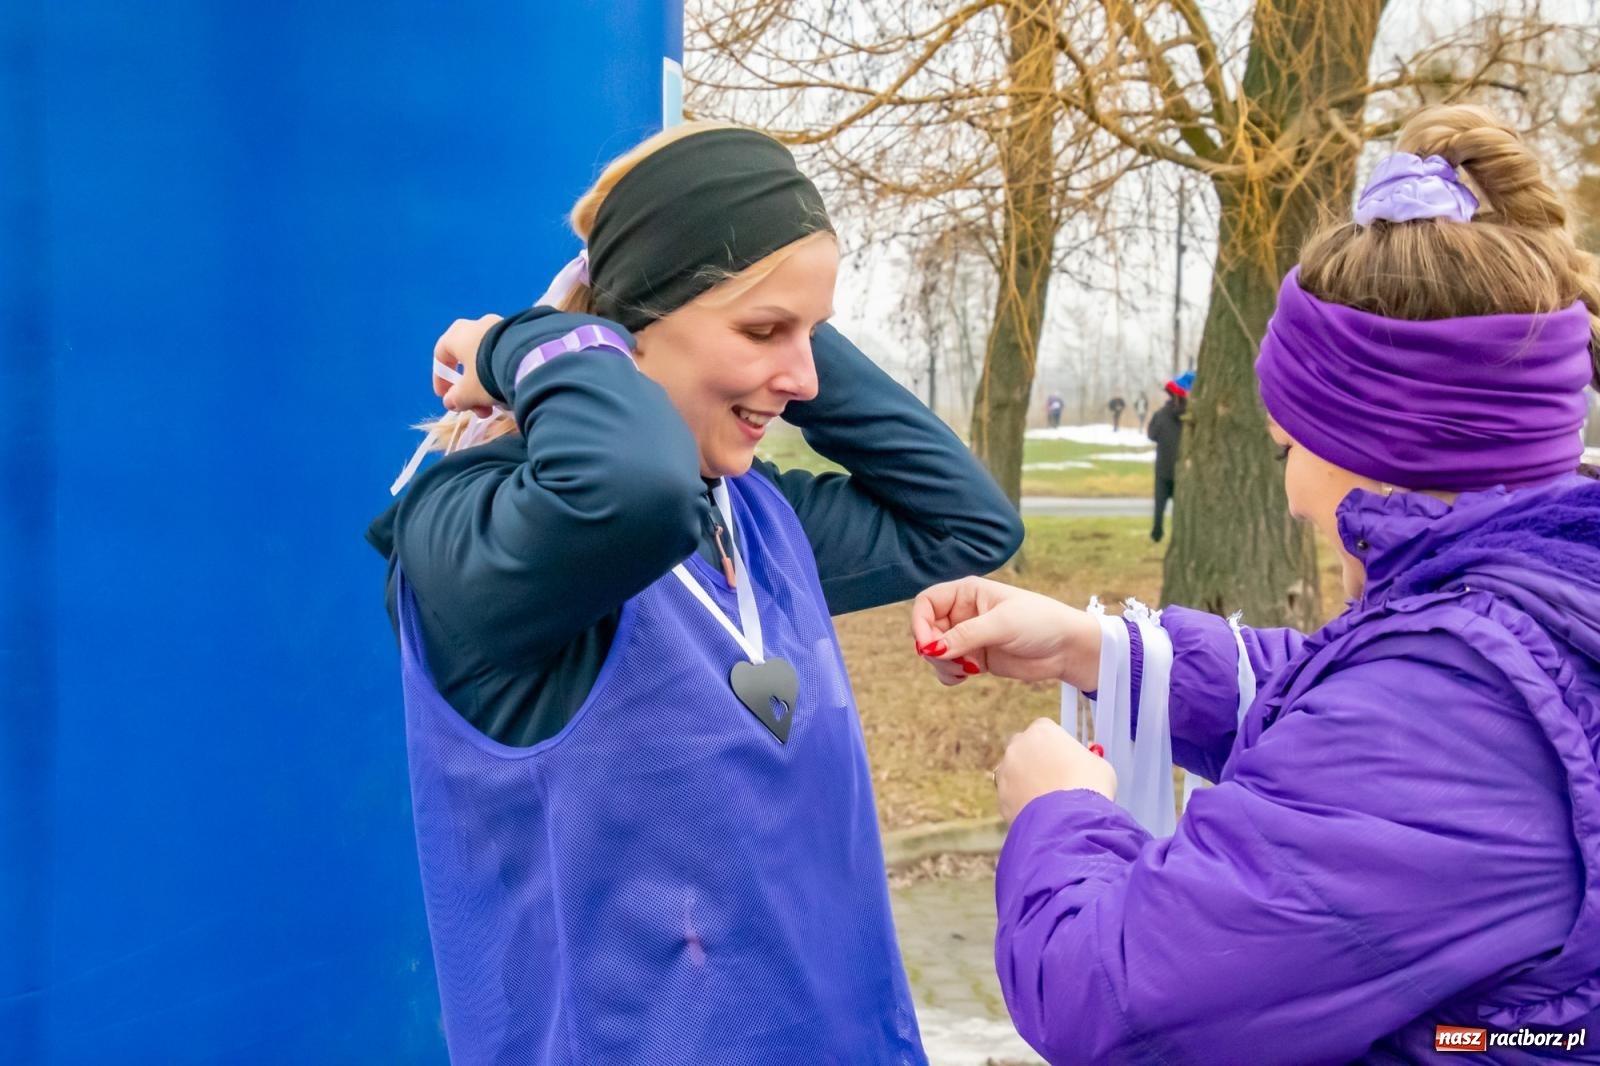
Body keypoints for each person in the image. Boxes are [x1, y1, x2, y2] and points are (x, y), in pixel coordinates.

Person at [911, 106, 1600, 1063]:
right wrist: (1100, 650)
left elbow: (1117, 996)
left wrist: (1057, 812)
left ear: (1378, 448)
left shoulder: (1451, 705)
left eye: (1288, 447)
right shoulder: (1532, 600)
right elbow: (1340, 691)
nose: (1288, 492)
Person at [367, 123, 1023, 1063]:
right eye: (763, 330)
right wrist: (529, 343)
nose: (802, 379)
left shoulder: (752, 519)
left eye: (814, 333)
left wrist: (777, 312)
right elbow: (630, 488)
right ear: (623, 331)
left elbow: (964, 524)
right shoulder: (471, 527)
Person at [1146, 371, 1191, 542]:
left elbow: (1152, 435)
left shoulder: (1161, 415)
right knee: (1181, 506)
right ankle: (1180, 535)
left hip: (1163, 466)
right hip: (1183, 467)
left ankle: (1157, 532)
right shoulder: (1190, 418)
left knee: (1160, 504)